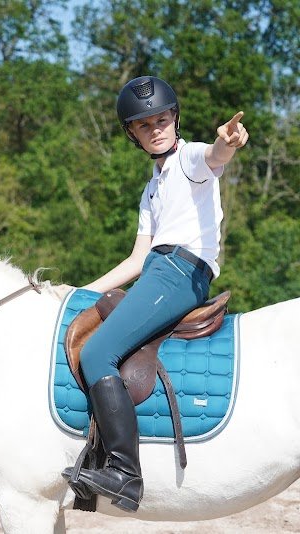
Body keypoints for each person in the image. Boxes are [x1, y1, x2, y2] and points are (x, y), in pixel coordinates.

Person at [61, 76, 249, 512]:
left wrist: (228, 142)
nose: (156, 128)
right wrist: (79, 291)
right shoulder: (151, 188)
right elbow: (136, 260)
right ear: (133, 134)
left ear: (175, 118)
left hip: (181, 272)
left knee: (96, 354)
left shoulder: (189, 160)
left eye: (162, 119)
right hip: (156, 271)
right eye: (145, 126)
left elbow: (215, 155)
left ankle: (125, 473)